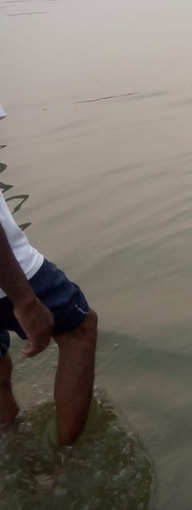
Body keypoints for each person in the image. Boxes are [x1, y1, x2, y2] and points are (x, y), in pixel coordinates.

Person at [0, 114, 97, 446]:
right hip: (8, 269)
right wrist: (25, 301)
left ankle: (13, 446)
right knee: (80, 329)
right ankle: (66, 458)